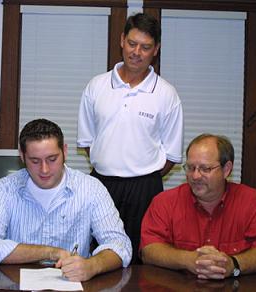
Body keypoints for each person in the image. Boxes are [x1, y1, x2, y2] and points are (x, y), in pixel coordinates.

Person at [77, 12, 183, 264]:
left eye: (145, 47)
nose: (137, 52)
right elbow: (89, 142)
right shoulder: (96, 86)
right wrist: (112, 165)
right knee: (95, 254)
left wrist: (143, 174)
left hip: (145, 189)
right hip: (101, 185)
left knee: (140, 257)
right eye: (132, 43)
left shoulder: (167, 94)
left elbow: (171, 155)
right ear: (122, 40)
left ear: (155, 50)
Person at [0, 119, 132, 281]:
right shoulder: (5, 189)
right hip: (16, 283)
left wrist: (93, 265)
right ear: (22, 156)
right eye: (35, 161)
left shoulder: (91, 188)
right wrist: (50, 252)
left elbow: (121, 245)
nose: (44, 169)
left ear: (65, 151)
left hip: (72, 284)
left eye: (52, 159)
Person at [140, 134, 256, 279]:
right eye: (190, 168)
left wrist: (233, 264)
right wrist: (188, 260)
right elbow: (148, 250)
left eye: (205, 169)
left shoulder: (253, 202)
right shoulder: (164, 202)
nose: (195, 176)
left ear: (226, 170)